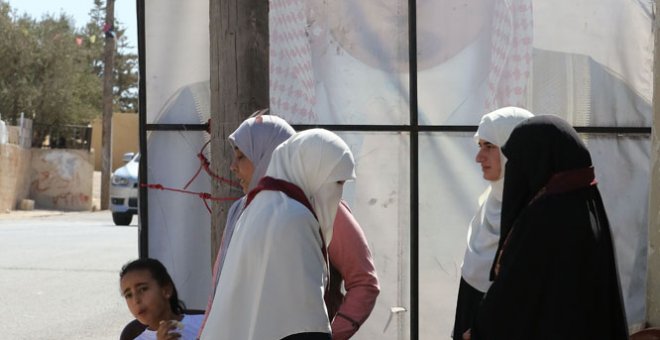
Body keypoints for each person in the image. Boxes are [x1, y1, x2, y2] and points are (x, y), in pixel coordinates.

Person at [199, 113, 379, 340]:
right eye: (337, 182)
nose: (233, 167)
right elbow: (304, 322)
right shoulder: (294, 217)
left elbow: (363, 281)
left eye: (242, 157)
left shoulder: (259, 210)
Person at [468, 115, 628, 339]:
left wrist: (477, 330)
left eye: (516, 161)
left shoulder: (544, 219)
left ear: (536, 160)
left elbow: (513, 300)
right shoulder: (587, 205)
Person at [452, 106, 533, 339]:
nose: (479, 157)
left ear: (513, 150)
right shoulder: (488, 206)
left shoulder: (534, 216)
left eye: (489, 146)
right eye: (480, 146)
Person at [119, 258, 204, 340]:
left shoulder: (204, 322)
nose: (136, 300)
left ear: (166, 290)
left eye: (143, 289)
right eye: (128, 295)